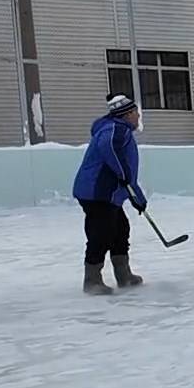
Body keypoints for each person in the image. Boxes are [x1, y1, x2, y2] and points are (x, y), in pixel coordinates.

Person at [71, 94, 149, 296]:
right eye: (135, 112)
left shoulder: (118, 129)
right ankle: (92, 280)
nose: (138, 116)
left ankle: (124, 275)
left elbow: (128, 176)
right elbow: (111, 152)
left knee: (120, 230)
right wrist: (123, 175)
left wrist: (137, 198)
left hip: (107, 194)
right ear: (127, 114)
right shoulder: (115, 129)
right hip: (97, 193)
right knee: (101, 234)